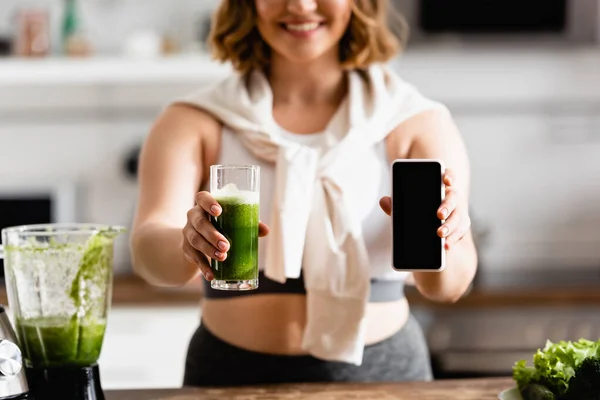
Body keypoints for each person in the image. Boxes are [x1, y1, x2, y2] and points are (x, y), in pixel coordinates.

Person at [130, 0, 477, 387]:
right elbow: (148, 252)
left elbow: (448, 286)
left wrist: (442, 239)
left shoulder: (413, 119)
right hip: (227, 374)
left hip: (384, 377)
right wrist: (187, 243)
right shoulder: (195, 119)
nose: (300, 5)